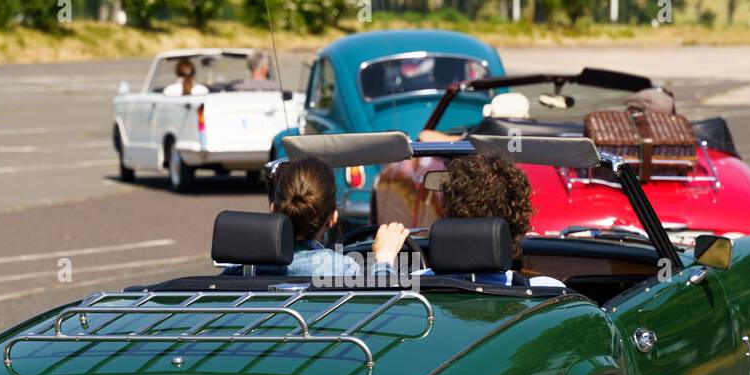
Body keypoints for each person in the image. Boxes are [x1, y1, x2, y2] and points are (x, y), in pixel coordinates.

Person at [223, 156, 409, 281]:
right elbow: (379, 305)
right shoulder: (340, 268)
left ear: (273, 209)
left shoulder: (242, 270)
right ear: (333, 218)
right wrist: (384, 257)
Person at [420, 150, 564, 288]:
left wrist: (396, 257)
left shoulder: (414, 286)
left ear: (449, 216)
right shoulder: (547, 290)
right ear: (515, 222)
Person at [417, 91, 533, 142]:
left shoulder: (478, 139)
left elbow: (424, 135)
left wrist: (463, 138)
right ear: (526, 116)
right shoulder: (540, 139)